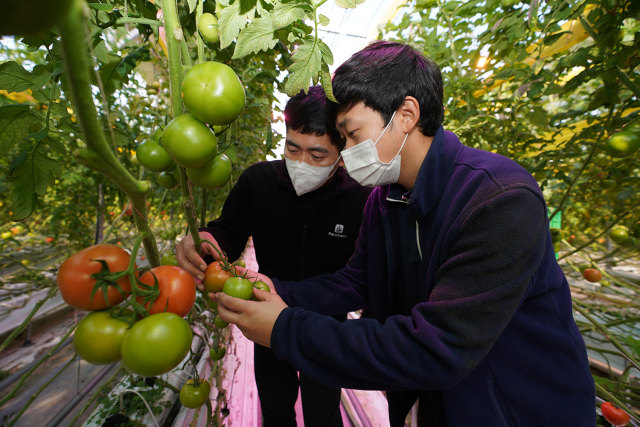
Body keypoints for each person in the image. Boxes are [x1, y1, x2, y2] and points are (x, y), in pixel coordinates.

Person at [215, 41, 596, 426]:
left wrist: (286, 329)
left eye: (351, 134)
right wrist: (277, 291)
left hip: (520, 411)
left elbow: (439, 348)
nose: (344, 153)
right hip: (436, 404)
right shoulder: (384, 201)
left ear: (406, 114)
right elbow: (357, 281)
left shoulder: (498, 199)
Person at [176, 85, 372, 427]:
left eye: (317, 155)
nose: (301, 163)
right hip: (263, 317)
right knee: (275, 404)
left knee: (322, 409)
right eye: (292, 149)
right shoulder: (259, 182)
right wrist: (207, 240)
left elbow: (360, 275)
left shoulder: (360, 198)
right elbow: (230, 233)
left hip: (326, 326)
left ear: (341, 153)